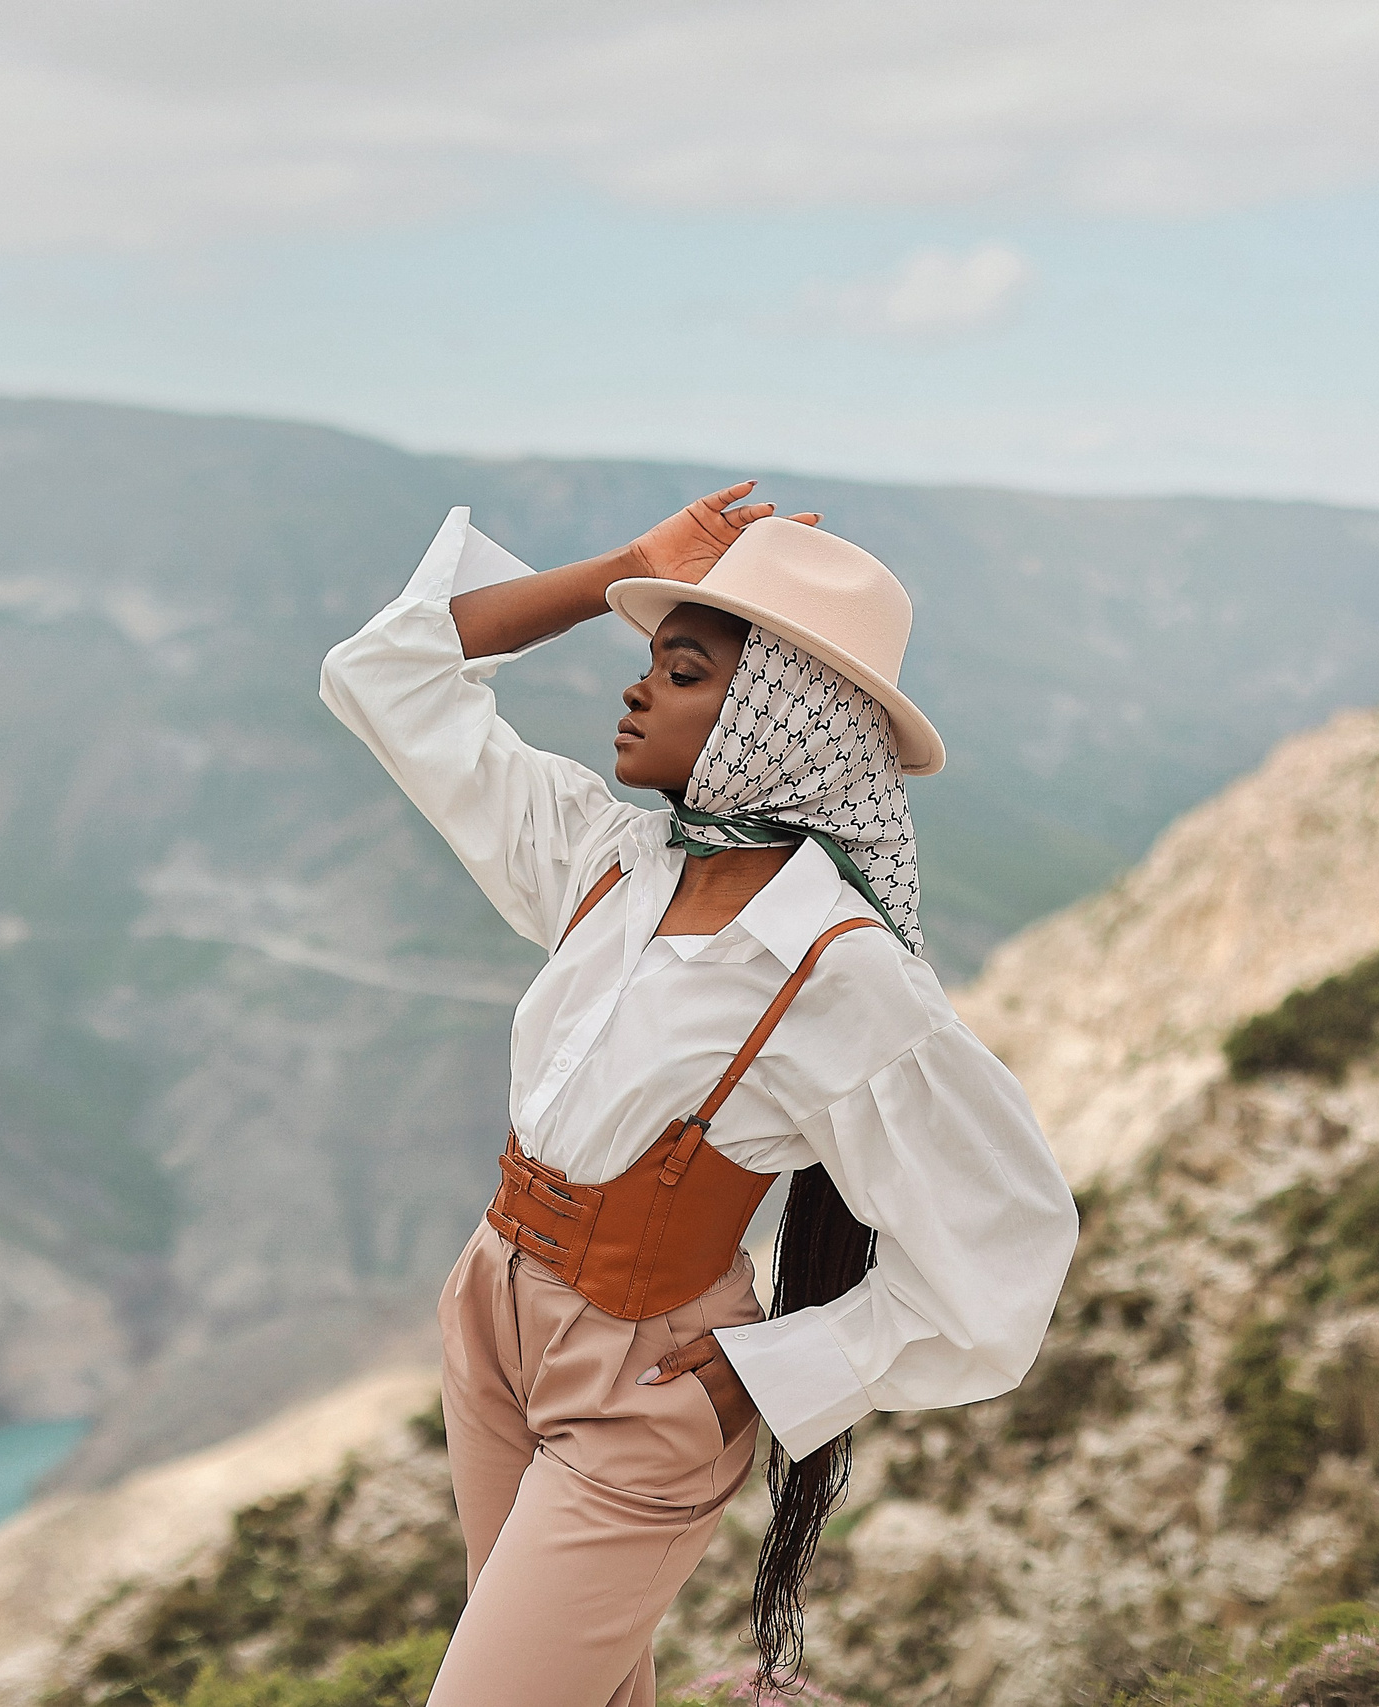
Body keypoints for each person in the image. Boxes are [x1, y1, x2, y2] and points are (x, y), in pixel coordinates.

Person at [321, 482, 1077, 1706]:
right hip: (490, 1322)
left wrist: (773, 1372)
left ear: (776, 725)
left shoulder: (840, 972)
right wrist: (623, 564)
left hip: (647, 1384)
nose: (633, 689)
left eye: (680, 672)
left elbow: (1009, 1248)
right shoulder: (606, 865)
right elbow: (384, 677)